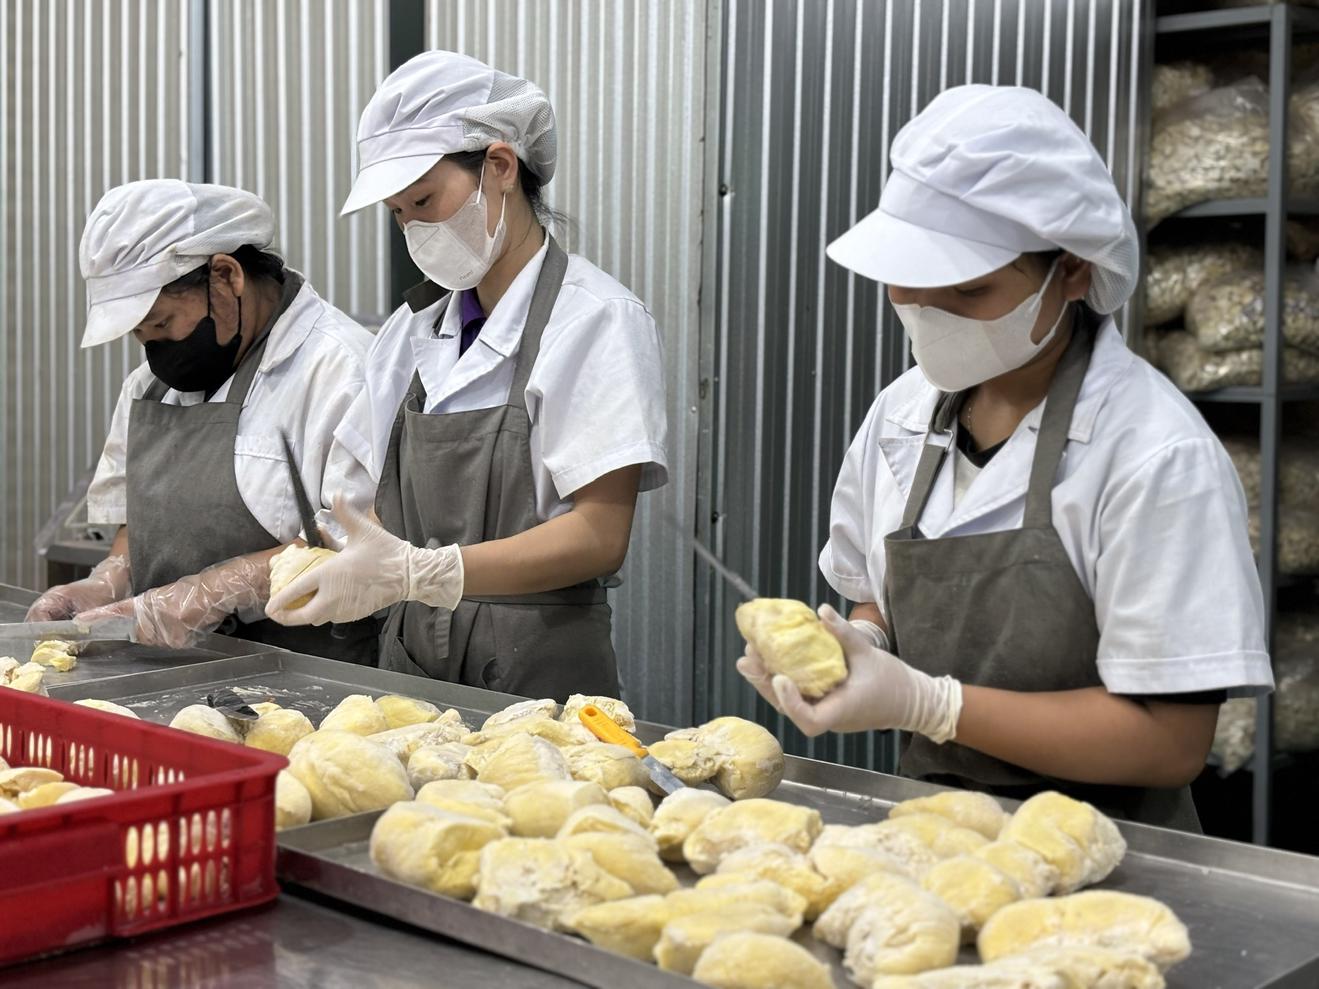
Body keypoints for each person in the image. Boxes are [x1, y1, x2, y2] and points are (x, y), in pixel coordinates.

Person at [737, 85, 1273, 830]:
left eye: (966, 289)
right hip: (933, 827)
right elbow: (874, 592)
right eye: (907, 279)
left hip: (1114, 850)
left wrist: (929, 703)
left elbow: (1170, 741)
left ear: (1073, 271)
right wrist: (862, 642)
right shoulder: (902, 414)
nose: (926, 309)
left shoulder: (1154, 452)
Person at [266, 52, 669, 698]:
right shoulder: (410, 332)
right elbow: (361, 505)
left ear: (499, 167)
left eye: (425, 200)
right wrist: (332, 562)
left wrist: (421, 572)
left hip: (540, 679)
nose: (414, 228)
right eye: (399, 212)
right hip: (410, 672)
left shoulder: (596, 319)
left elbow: (599, 536)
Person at [27, 179, 377, 661]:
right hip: (170, 670)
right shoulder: (148, 388)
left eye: (162, 323)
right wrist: (108, 580)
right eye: (139, 333)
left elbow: (358, 539)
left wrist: (214, 592)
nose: (155, 347)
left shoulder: (342, 369)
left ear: (226, 276)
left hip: (309, 673)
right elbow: (135, 525)